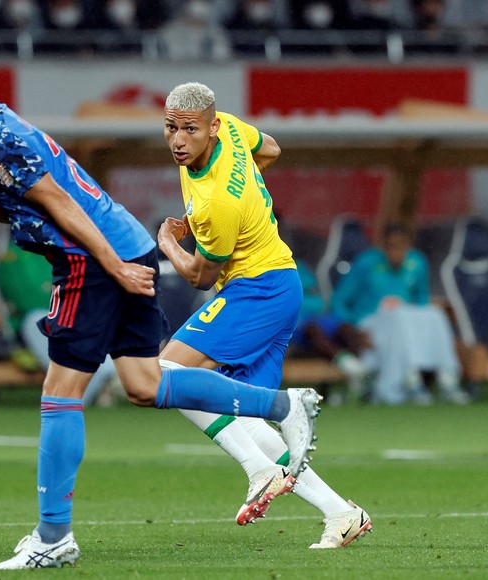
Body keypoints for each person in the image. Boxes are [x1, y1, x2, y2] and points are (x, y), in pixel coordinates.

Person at [0, 28, 321, 570]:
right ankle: (285, 405)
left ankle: (53, 537)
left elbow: (60, 199)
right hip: (124, 243)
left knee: (59, 393)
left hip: (93, 260)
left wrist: (112, 266)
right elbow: (47, 199)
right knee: (145, 384)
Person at [156, 82, 371, 549]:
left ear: (211, 127)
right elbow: (270, 148)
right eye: (170, 128)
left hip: (257, 290)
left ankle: (258, 470)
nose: (177, 140)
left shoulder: (218, 204)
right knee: (243, 412)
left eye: (189, 130)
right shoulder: (231, 128)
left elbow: (197, 276)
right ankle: (342, 513)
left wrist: (168, 241)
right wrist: (249, 196)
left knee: (164, 374)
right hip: (279, 282)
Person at [331, 222, 470, 404]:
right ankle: (408, 377)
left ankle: (447, 375)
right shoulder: (366, 263)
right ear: (383, 245)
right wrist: (354, 327)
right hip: (371, 322)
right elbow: (339, 301)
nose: (395, 252)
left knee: (435, 314)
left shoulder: (417, 262)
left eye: (400, 246)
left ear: (408, 245)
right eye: (391, 246)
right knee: (399, 316)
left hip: (404, 322)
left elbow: (421, 300)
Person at [0, 237, 121, 407]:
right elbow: (25, 299)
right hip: (35, 325)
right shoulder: (13, 256)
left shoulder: (69, 251)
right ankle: (71, 399)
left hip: (72, 319)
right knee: (38, 319)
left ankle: (71, 399)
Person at [293, 258, 371, 401]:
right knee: (312, 331)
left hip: (318, 314)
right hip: (296, 321)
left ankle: (357, 372)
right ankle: (348, 365)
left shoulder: (300, 267)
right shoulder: (272, 268)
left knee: (345, 328)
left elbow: (314, 291)